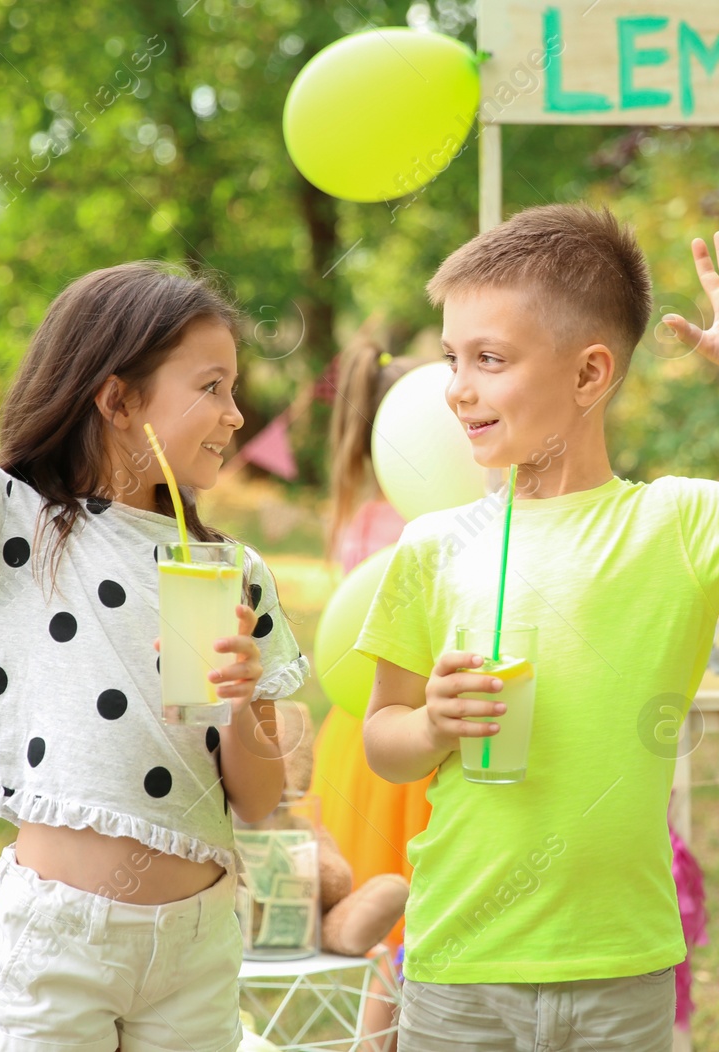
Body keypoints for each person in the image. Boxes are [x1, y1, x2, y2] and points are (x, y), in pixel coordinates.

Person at [0, 25, 309, 1052]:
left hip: (197, 943)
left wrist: (236, 706)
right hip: (61, 940)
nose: (235, 414)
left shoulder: (233, 571)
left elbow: (264, 801)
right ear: (116, 396)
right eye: (212, 387)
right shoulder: (17, 525)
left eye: (238, 390)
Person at [353, 204, 719, 1051]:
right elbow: (383, 741)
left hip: (621, 968)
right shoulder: (434, 546)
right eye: (452, 359)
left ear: (588, 375)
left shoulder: (678, 523)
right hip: (460, 963)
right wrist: (431, 721)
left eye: (490, 359)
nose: (458, 388)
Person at [311, 324, 434, 1050]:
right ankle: (378, 1038)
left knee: (387, 903)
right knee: (407, 906)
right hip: (405, 729)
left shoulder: (359, 515)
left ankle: (377, 1033)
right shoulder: (426, 523)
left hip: (355, 730)